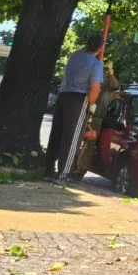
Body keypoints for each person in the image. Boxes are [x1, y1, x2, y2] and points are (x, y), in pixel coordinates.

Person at [45, 33, 104, 181]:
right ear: (100, 47)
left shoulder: (75, 56)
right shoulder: (96, 64)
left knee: (57, 133)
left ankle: (48, 169)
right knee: (72, 137)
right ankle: (64, 173)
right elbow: (95, 88)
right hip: (79, 99)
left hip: (63, 94)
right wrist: (91, 105)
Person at [72, 58, 120, 180]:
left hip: (96, 118)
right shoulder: (90, 79)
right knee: (74, 140)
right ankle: (69, 166)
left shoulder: (109, 84)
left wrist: (111, 73)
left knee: (88, 145)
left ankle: (79, 170)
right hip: (82, 113)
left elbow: (116, 86)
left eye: (105, 70)